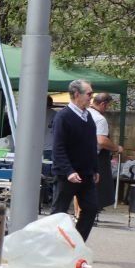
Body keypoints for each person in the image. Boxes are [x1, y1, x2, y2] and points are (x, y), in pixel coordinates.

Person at [51, 79, 99, 240]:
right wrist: (68, 171)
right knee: (59, 212)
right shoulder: (63, 116)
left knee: (91, 208)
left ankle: (76, 243)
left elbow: (91, 144)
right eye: (89, 94)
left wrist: (95, 168)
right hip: (68, 174)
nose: (91, 97)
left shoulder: (88, 116)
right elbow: (58, 147)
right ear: (77, 94)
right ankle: (52, 244)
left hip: (86, 173)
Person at [89, 92, 122, 213]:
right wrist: (116, 148)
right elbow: (101, 140)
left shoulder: (84, 113)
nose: (107, 109)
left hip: (81, 155)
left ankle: (78, 215)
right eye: (108, 106)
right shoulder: (100, 119)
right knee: (93, 188)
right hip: (95, 156)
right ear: (103, 104)